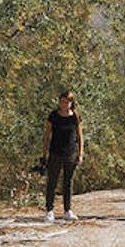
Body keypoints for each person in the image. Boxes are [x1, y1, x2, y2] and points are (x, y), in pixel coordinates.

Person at [41, 91, 84, 222]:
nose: (64, 104)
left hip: (70, 153)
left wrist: (80, 153)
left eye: (67, 102)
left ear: (71, 103)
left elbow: (80, 137)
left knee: (68, 182)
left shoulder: (75, 116)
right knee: (52, 182)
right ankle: (49, 210)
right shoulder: (53, 116)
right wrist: (44, 153)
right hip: (55, 152)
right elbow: (47, 135)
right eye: (62, 101)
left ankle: (67, 210)